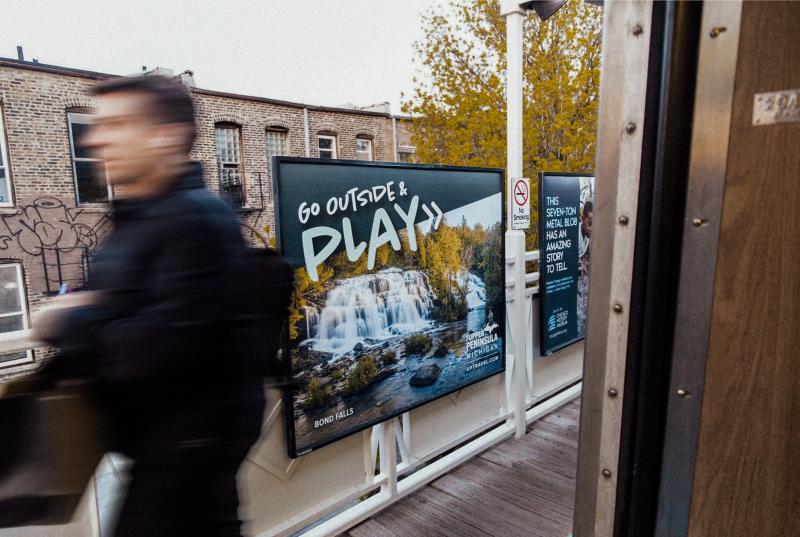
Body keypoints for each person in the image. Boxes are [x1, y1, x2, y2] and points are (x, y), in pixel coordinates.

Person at [34, 74, 264, 537]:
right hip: (161, 452)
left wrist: (67, 320)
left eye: (116, 124)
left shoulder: (195, 218)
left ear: (165, 135)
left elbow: (157, 347)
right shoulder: (146, 215)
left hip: (185, 458)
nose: (96, 138)